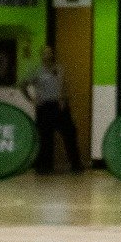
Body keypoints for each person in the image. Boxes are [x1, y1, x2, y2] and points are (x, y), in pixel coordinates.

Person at [22, 46, 83, 174]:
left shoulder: (59, 69)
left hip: (59, 105)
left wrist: (64, 99)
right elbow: (23, 85)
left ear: (53, 54)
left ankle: (76, 165)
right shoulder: (36, 71)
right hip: (44, 107)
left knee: (70, 134)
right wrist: (31, 99)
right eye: (45, 53)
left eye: (50, 52)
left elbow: (64, 85)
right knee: (45, 138)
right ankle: (44, 167)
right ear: (41, 56)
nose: (48, 55)